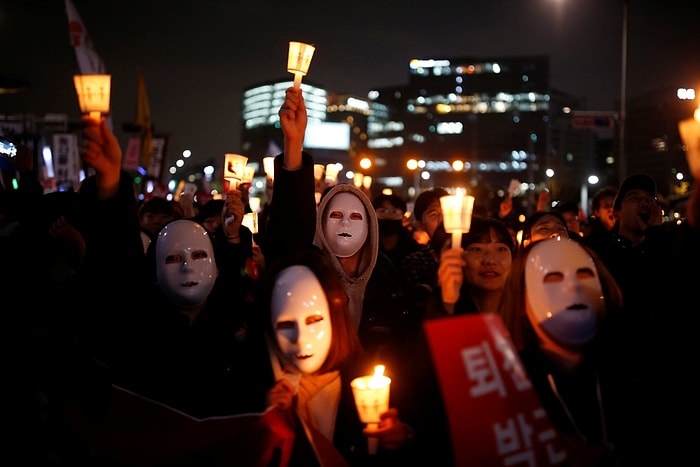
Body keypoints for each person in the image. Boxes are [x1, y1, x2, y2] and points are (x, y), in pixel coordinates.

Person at [261, 247, 416, 465]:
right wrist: (262, 421)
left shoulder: (370, 380)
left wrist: (401, 436)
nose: (302, 339)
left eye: (314, 321)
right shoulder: (254, 386)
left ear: (335, 316)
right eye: (286, 324)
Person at [497, 237, 625, 465]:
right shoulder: (507, 387)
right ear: (521, 299)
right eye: (552, 278)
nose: (573, 286)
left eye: (585, 274)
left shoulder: (636, 363)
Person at [426, 216, 515, 318]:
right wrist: (448, 301)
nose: (490, 261)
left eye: (501, 249)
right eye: (477, 249)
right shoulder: (437, 306)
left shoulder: (529, 309)